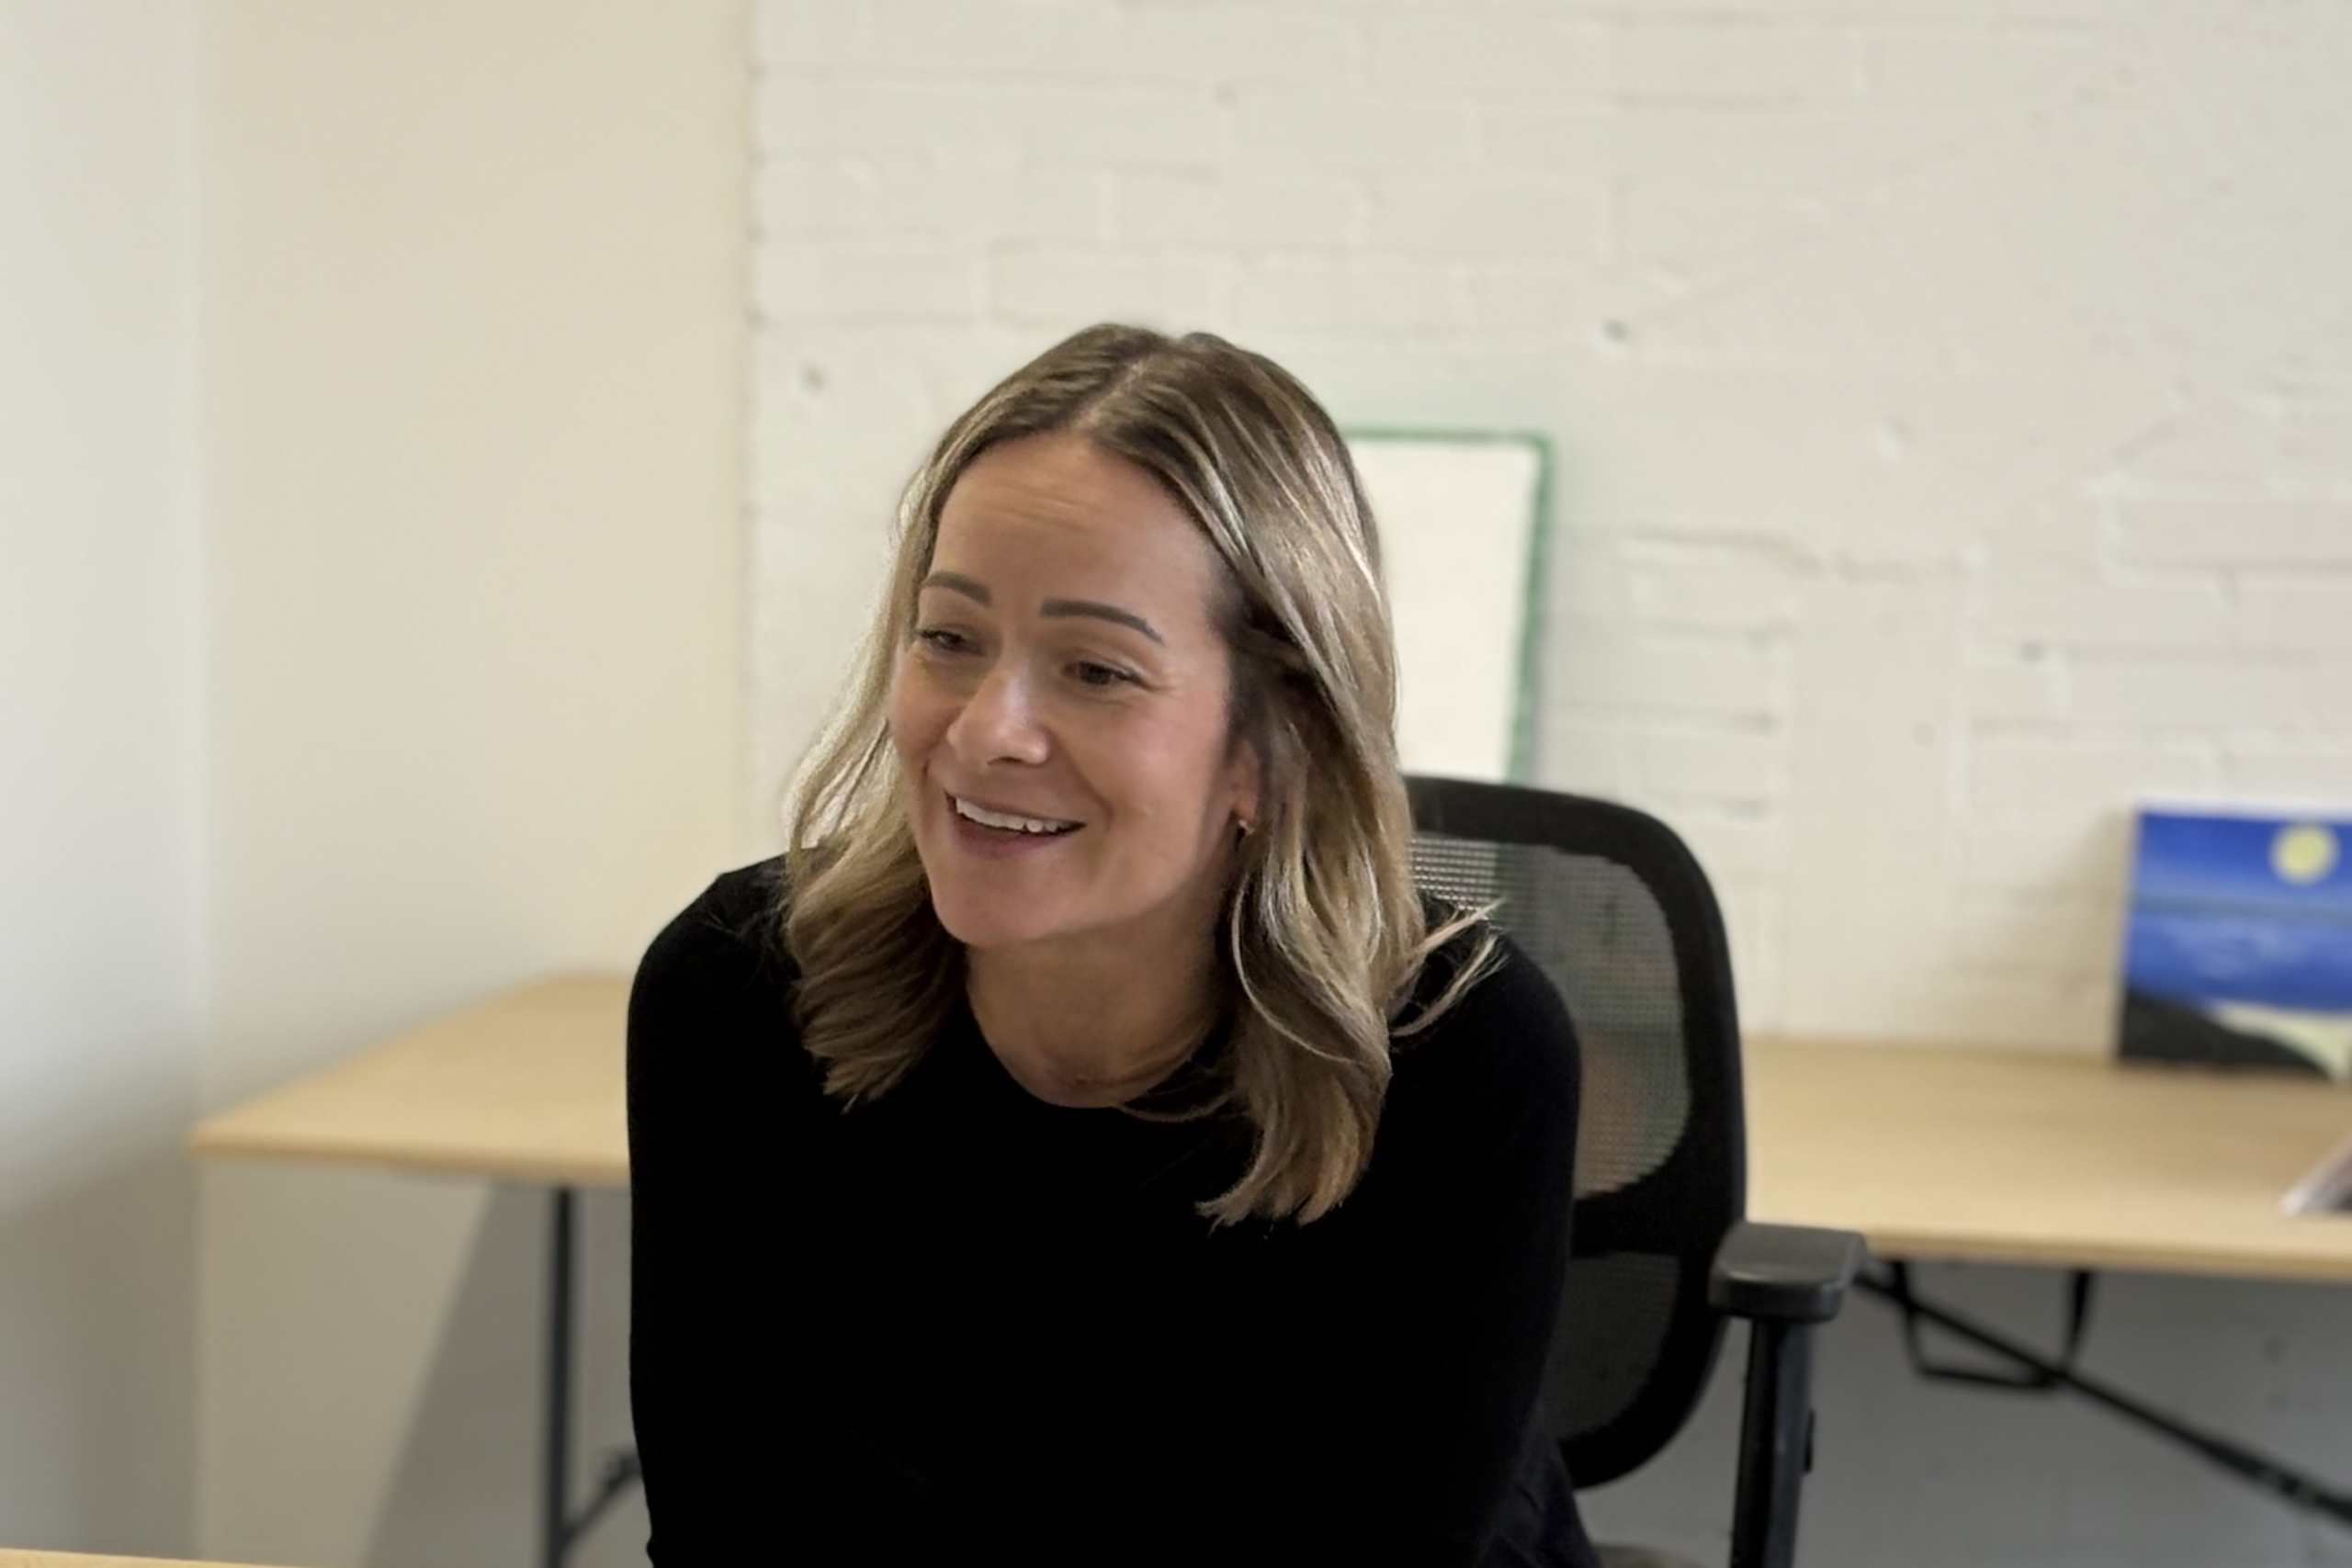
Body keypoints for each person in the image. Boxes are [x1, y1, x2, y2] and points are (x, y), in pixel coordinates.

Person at [627, 324, 1597, 1567]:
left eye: (1094, 669)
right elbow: (733, 1532)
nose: (987, 732)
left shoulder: (1460, 1057)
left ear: (1271, 739)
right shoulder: (736, 994)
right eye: (950, 639)